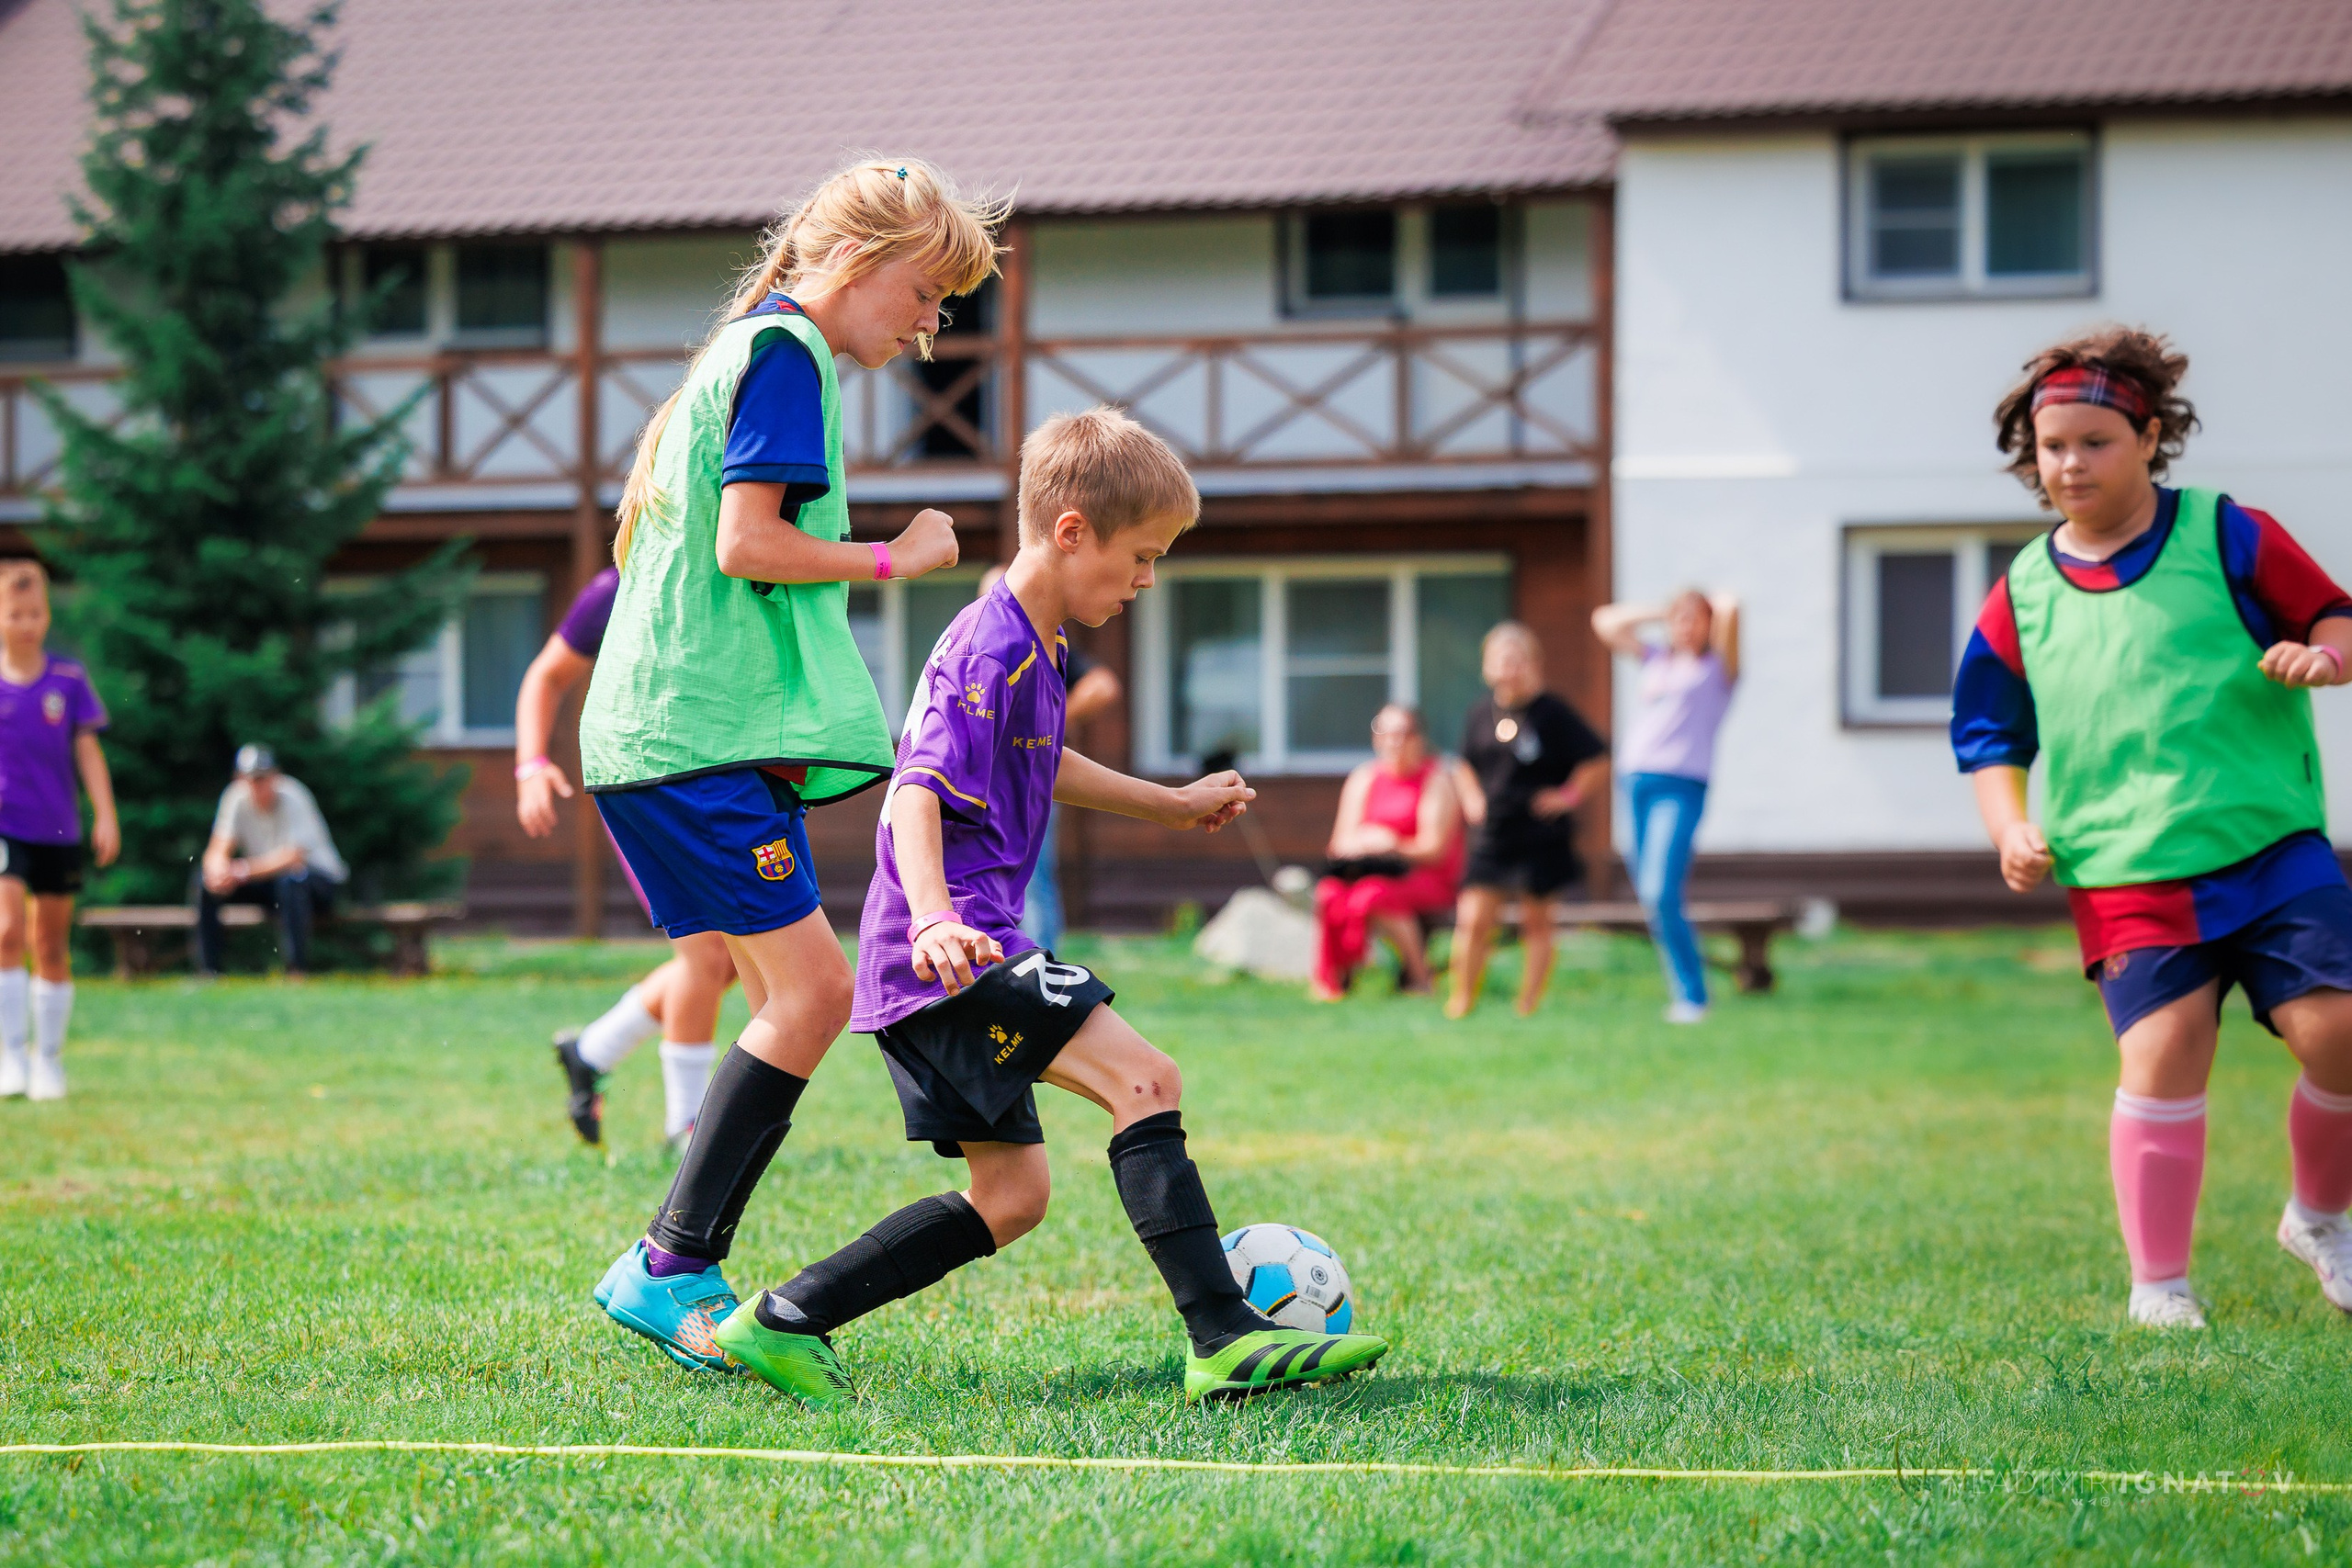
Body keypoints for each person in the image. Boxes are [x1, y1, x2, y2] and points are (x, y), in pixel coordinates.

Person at [709, 406, 1389, 1405]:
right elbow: (912, 792)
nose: (1147, 581)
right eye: (1142, 556)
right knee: (1145, 1080)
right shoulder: (988, 646)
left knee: (1012, 1198)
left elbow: (1039, 759)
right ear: (1072, 532)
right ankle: (1223, 1336)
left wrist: (1167, 803)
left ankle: (781, 1321)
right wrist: (938, 917)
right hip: (951, 950)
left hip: (944, 952)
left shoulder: (1039, 644)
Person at [576, 158, 1001, 1374]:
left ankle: (672, 1260)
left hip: (684, 738)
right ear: (861, 266)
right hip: (689, 739)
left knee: (796, 991)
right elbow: (749, 540)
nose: (931, 327)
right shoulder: (785, 357)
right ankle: (666, 1266)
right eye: (926, 294)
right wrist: (895, 558)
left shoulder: (757, 349)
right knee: (811, 993)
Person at [1955, 327, 2352, 1330]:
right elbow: (1988, 732)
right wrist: (2009, 827)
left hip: (2270, 847)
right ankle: (2159, 1288)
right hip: (2125, 873)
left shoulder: (2227, 533)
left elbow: (2333, 616)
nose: (2069, 464)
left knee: (2341, 1033)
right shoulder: (2021, 594)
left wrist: (2326, 658)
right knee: (2163, 1056)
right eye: (2052, 448)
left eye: (2094, 442)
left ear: (2147, 438)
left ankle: (2317, 1217)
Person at [518, 563, 738, 1151]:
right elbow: (547, 676)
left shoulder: (721, 572)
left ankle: (592, 1051)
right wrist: (530, 765)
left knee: (736, 957)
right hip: (643, 789)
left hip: (711, 783)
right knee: (709, 952)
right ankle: (686, 1127)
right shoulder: (617, 586)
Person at [1444, 623, 1609, 1020]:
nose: (1509, 668)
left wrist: (1568, 796)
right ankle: (1461, 1000)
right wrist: (1471, 798)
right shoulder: (1481, 713)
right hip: (1495, 831)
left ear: (1533, 664)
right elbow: (1463, 765)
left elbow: (1597, 759)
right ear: (1487, 666)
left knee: (1537, 922)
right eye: (1501, 659)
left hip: (1540, 833)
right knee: (1473, 920)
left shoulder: (1553, 713)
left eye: (1517, 659)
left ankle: (1527, 1005)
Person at [1592, 589, 1740, 1023]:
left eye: (1694, 619)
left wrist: (1708, 608)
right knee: (1651, 896)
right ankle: (1685, 992)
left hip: (1682, 784)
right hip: (1636, 781)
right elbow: (1605, 621)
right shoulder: (1658, 659)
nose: (1684, 626)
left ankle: (1693, 996)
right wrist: (1664, 611)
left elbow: (1730, 606)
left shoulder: (1718, 670)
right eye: (1680, 619)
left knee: (1661, 890)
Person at [0, 562, 117, 1101]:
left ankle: (48, 1059)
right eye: (15, 613)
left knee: (50, 943)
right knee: (5, 931)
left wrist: (106, 814)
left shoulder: (68, 682)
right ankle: (8, 1053)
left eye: (36, 612)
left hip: (59, 829)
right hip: (6, 827)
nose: (27, 623)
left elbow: (88, 752)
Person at [978, 565, 1121, 952]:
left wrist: (1048, 727)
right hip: (990, 783)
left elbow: (1103, 686)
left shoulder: (1045, 646)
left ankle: (1039, 960)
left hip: (1031, 778)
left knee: (1032, 873)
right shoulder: (982, 651)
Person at [1310, 704, 1462, 999]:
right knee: (1329, 892)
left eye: (1402, 734)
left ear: (1419, 739)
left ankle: (1419, 978)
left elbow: (1435, 849)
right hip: (1368, 870)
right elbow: (1338, 845)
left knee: (1374, 895)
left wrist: (1393, 845)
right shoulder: (1363, 777)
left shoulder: (1437, 779)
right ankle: (1332, 981)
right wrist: (1361, 844)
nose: (1394, 742)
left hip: (1423, 875)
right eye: (1385, 733)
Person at [197, 745, 345, 978]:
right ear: (240, 779)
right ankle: (209, 972)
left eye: (263, 778)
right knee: (204, 881)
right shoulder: (234, 797)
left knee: (292, 880)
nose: (258, 785)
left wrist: (242, 870)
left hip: (319, 881)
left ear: (276, 775)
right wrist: (217, 871)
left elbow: (293, 857)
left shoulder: (295, 795)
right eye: (251, 779)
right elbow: (218, 847)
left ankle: (297, 971)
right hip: (270, 881)